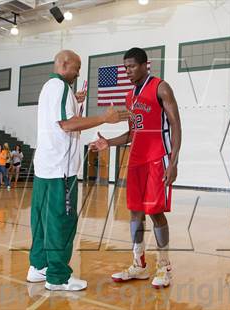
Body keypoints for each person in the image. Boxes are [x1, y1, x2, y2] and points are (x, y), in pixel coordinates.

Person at [26, 50, 130, 291]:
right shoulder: (60, 87)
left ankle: (38, 266)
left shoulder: (51, 87)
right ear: (64, 64)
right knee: (61, 222)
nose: (79, 72)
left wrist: (77, 101)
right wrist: (104, 118)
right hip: (60, 170)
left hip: (45, 167)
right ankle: (58, 277)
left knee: (41, 221)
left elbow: (62, 120)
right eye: (77, 67)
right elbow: (67, 124)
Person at [90, 47, 182, 289]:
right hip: (136, 160)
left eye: (131, 66)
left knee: (155, 212)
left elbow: (176, 125)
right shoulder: (129, 96)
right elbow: (132, 133)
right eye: (125, 67)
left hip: (158, 158)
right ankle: (139, 265)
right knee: (135, 212)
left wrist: (173, 162)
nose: (127, 71)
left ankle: (164, 266)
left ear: (144, 65)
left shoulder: (161, 87)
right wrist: (108, 142)